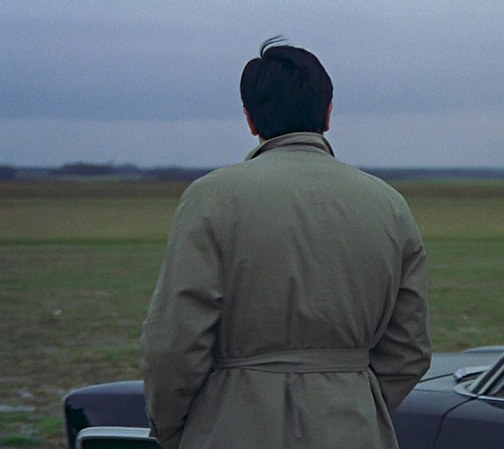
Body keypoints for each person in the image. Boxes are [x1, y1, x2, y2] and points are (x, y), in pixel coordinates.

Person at [141, 36, 431, 449]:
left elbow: (174, 344)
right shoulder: (389, 204)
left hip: (231, 426)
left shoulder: (211, 198)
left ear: (250, 119)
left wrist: (174, 429)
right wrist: (354, 403)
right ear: (327, 113)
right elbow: (409, 350)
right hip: (353, 427)